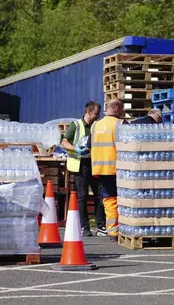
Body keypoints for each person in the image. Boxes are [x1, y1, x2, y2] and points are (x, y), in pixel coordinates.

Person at [61, 101, 106, 237]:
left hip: (95, 163)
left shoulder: (97, 126)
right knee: (83, 196)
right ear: (88, 112)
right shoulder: (76, 125)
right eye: (96, 114)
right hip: (81, 164)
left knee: (99, 195)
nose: (98, 116)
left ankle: (100, 226)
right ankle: (84, 226)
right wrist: (76, 149)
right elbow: (64, 142)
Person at [89, 99, 127, 240]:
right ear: (116, 108)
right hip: (117, 168)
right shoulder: (120, 124)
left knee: (108, 199)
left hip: (100, 168)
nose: (122, 111)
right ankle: (119, 230)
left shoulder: (95, 125)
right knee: (121, 200)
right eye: (121, 108)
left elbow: (89, 146)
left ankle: (112, 231)